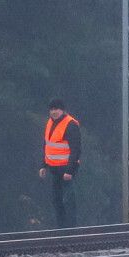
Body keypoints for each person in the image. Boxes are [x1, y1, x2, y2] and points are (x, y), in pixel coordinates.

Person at [38, 98, 82, 228]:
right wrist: (44, 165)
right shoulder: (50, 123)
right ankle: (61, 229)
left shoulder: (70, 124)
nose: (54, 112)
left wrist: (70, 171)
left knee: (68, 200)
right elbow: (48, 146)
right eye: (51, 109)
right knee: (57, 201)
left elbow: (76, 149)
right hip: (54, 169)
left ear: (62, 110)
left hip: (67, 169)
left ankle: (71, 229)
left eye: (56, 109)